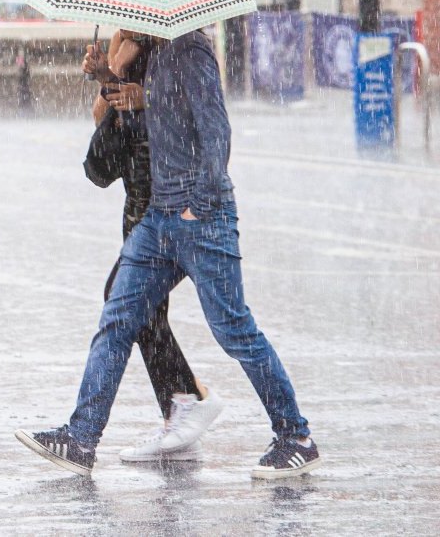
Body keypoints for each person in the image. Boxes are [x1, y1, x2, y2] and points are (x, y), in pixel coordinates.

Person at [16, 29, 320, 479]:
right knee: (118, 318)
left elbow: (216, 130)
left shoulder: (191, 49)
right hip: (158, 219)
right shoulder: (158, 54)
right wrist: (108, 78)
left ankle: (296, 436)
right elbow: (149, 128)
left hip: (202, 219)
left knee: (234, 329)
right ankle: (81, 439)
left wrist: (198, 204)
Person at [82, 29, 222, 463]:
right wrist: (109, 75)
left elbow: (200, 115)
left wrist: (147, 98)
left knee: (129, 300)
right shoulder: (126, 37)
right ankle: (182, 409)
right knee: (140, 306)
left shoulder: (181, 42)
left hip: (169, 190)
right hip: (136, 190)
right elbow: (104, 115)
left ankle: (187, 402)